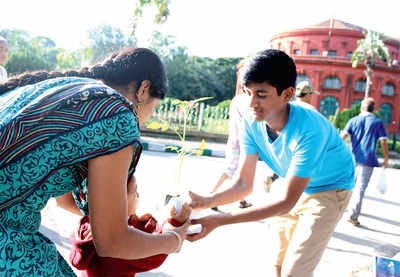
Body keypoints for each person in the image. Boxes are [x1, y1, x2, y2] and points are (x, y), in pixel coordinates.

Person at [0, 47, 190, 276]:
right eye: (155, 106)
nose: (147, 119)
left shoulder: (72, 92)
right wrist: (173, 240)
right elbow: (112, 242)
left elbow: (65, 202)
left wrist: (117, 211)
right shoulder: (116, 115)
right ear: (143, 89)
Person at [188, 49, 355, 277]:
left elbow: (286, 202)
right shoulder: (251, 121)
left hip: (329, 189)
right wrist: (207, 201)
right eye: (248, 93)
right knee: (277, 264)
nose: (251, 103)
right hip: (293, 184)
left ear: (287, 94)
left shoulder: (310, 129)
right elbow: (243, 185)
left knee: (294, 272)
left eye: (261, 94)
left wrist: (220, 220)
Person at [70, 175, 192, 277]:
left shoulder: (89, 224)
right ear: (119, 202)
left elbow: (133, 233)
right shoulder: (117, 243)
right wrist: (173, 224)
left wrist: (145, 223)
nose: (138, 195)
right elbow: (154, 254)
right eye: (135, 193)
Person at [341, 97, 389, 227]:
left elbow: (342, 138)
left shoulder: (353, 120)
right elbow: (383, 141)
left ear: (362, 107)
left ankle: (341, 209)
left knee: (348, 184)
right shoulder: (377, 122)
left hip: (352, 158)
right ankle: (353, 215)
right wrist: (386, 158)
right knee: (360, 188)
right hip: (368, 159)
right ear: (374, 109)